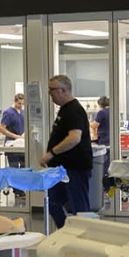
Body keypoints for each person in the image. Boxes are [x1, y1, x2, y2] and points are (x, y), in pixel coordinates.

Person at [42, 75, 93, 228]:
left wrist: (52, 153)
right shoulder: (64, 110)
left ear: (63, 90)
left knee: (80, 207)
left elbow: (74, 138)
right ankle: (67, 232)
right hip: (61, 169)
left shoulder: (74, 110)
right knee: (52, 202)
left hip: (74, 168)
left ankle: (84, 238)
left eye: (52, 90)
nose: (50, 93)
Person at [0, 93, 26, 169]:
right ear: (15, 101)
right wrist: (15, 136)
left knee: (24, 168)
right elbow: (1, 128)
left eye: (23, 104)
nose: (21, 105)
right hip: (12, 144)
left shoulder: (23, 112)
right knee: (14, 168)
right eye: (19, 103)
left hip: (21, 144)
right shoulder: (9, 113)